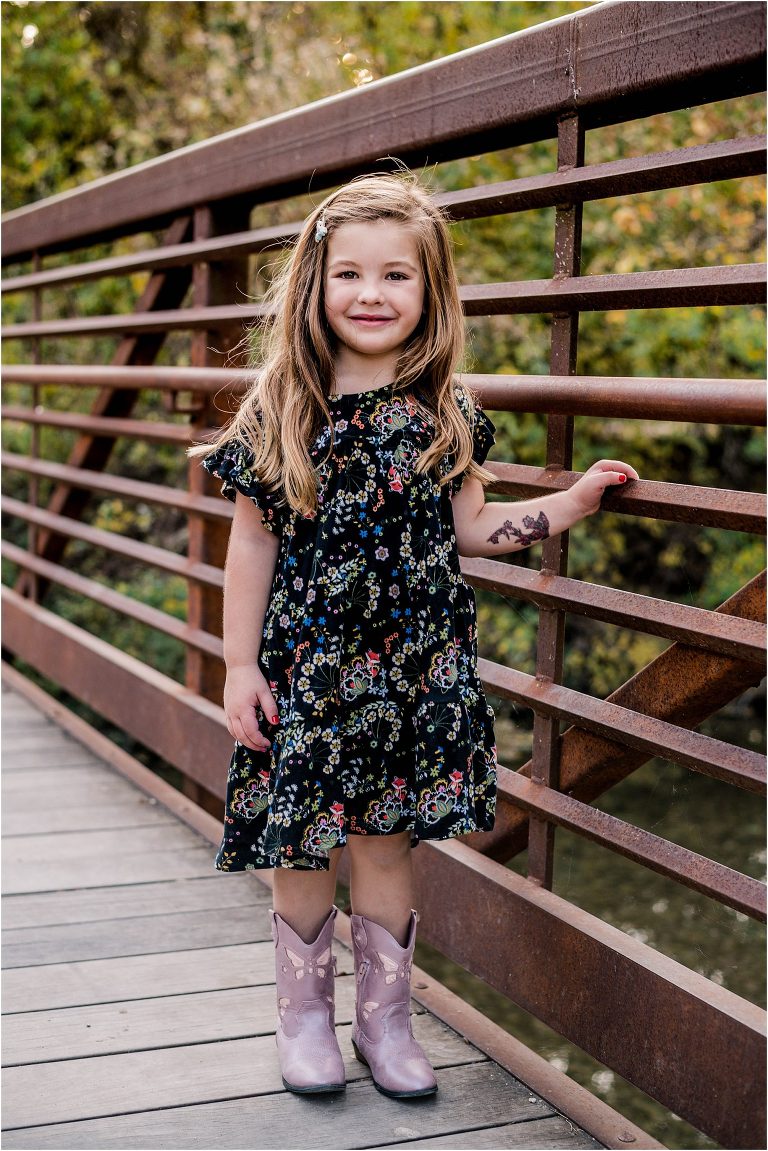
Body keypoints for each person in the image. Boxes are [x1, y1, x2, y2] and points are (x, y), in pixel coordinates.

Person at [190, 172, 637, 1100]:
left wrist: (570, 503)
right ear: (313, 286)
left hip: (412, 675)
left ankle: (385, 1023)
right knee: (303, 846)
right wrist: (237, 666)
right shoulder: (280, 404)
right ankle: (305, 1018)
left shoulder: (446, 408)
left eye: (397, 275)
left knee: (388, 847)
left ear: (431, 292)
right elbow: (250, 541)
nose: (370, 294)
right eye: (348, 273)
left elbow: (474, 528)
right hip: (307, 673)